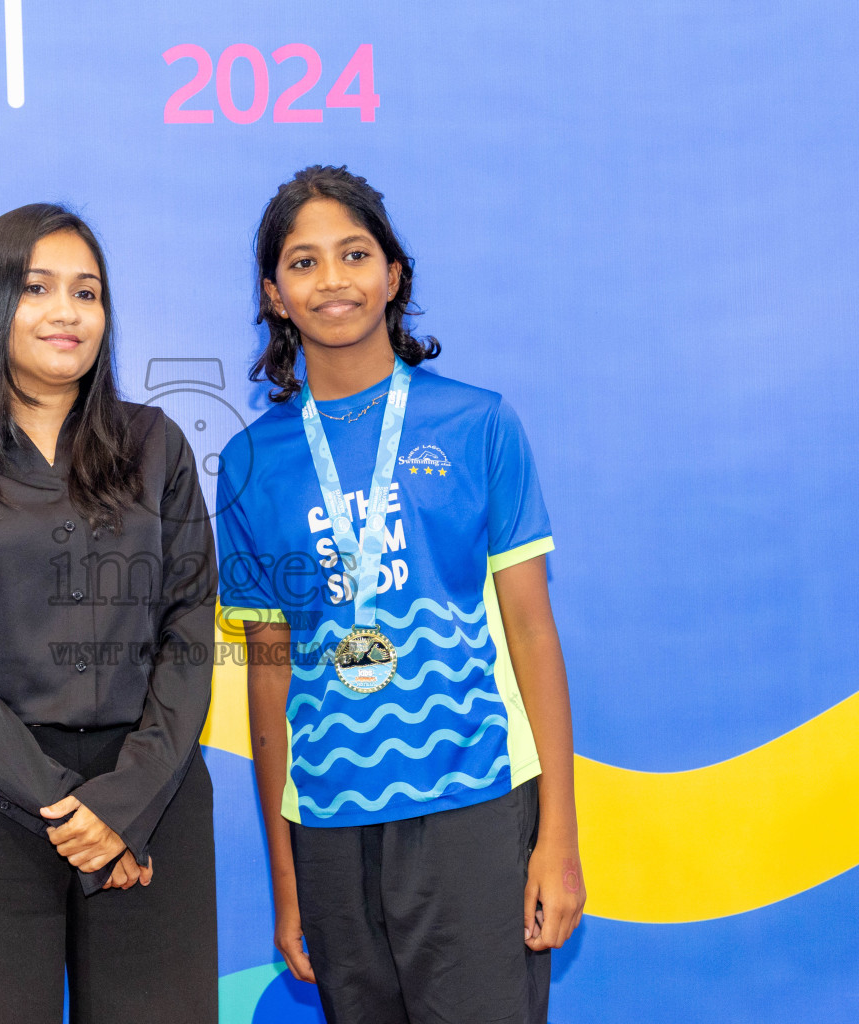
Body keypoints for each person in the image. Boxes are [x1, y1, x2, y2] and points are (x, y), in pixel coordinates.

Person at [215, 166, 585, 1024]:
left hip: (478, 805)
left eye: (354, 254)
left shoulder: (478, 424)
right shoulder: (248, 464)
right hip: (332, 829)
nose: (332, 280)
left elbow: (532, 632)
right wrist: (288, 878)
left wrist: (558, 840)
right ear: (273, 294)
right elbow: (267, 679)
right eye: (303, 263)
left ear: (395, 276)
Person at [0, 203, 218, 1024]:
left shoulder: (156, 445)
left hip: (150, 801)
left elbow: (191, 625)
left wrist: (123, 804)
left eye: (88, 292)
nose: (68, 313)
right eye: (38, 288)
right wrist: (70, 807)